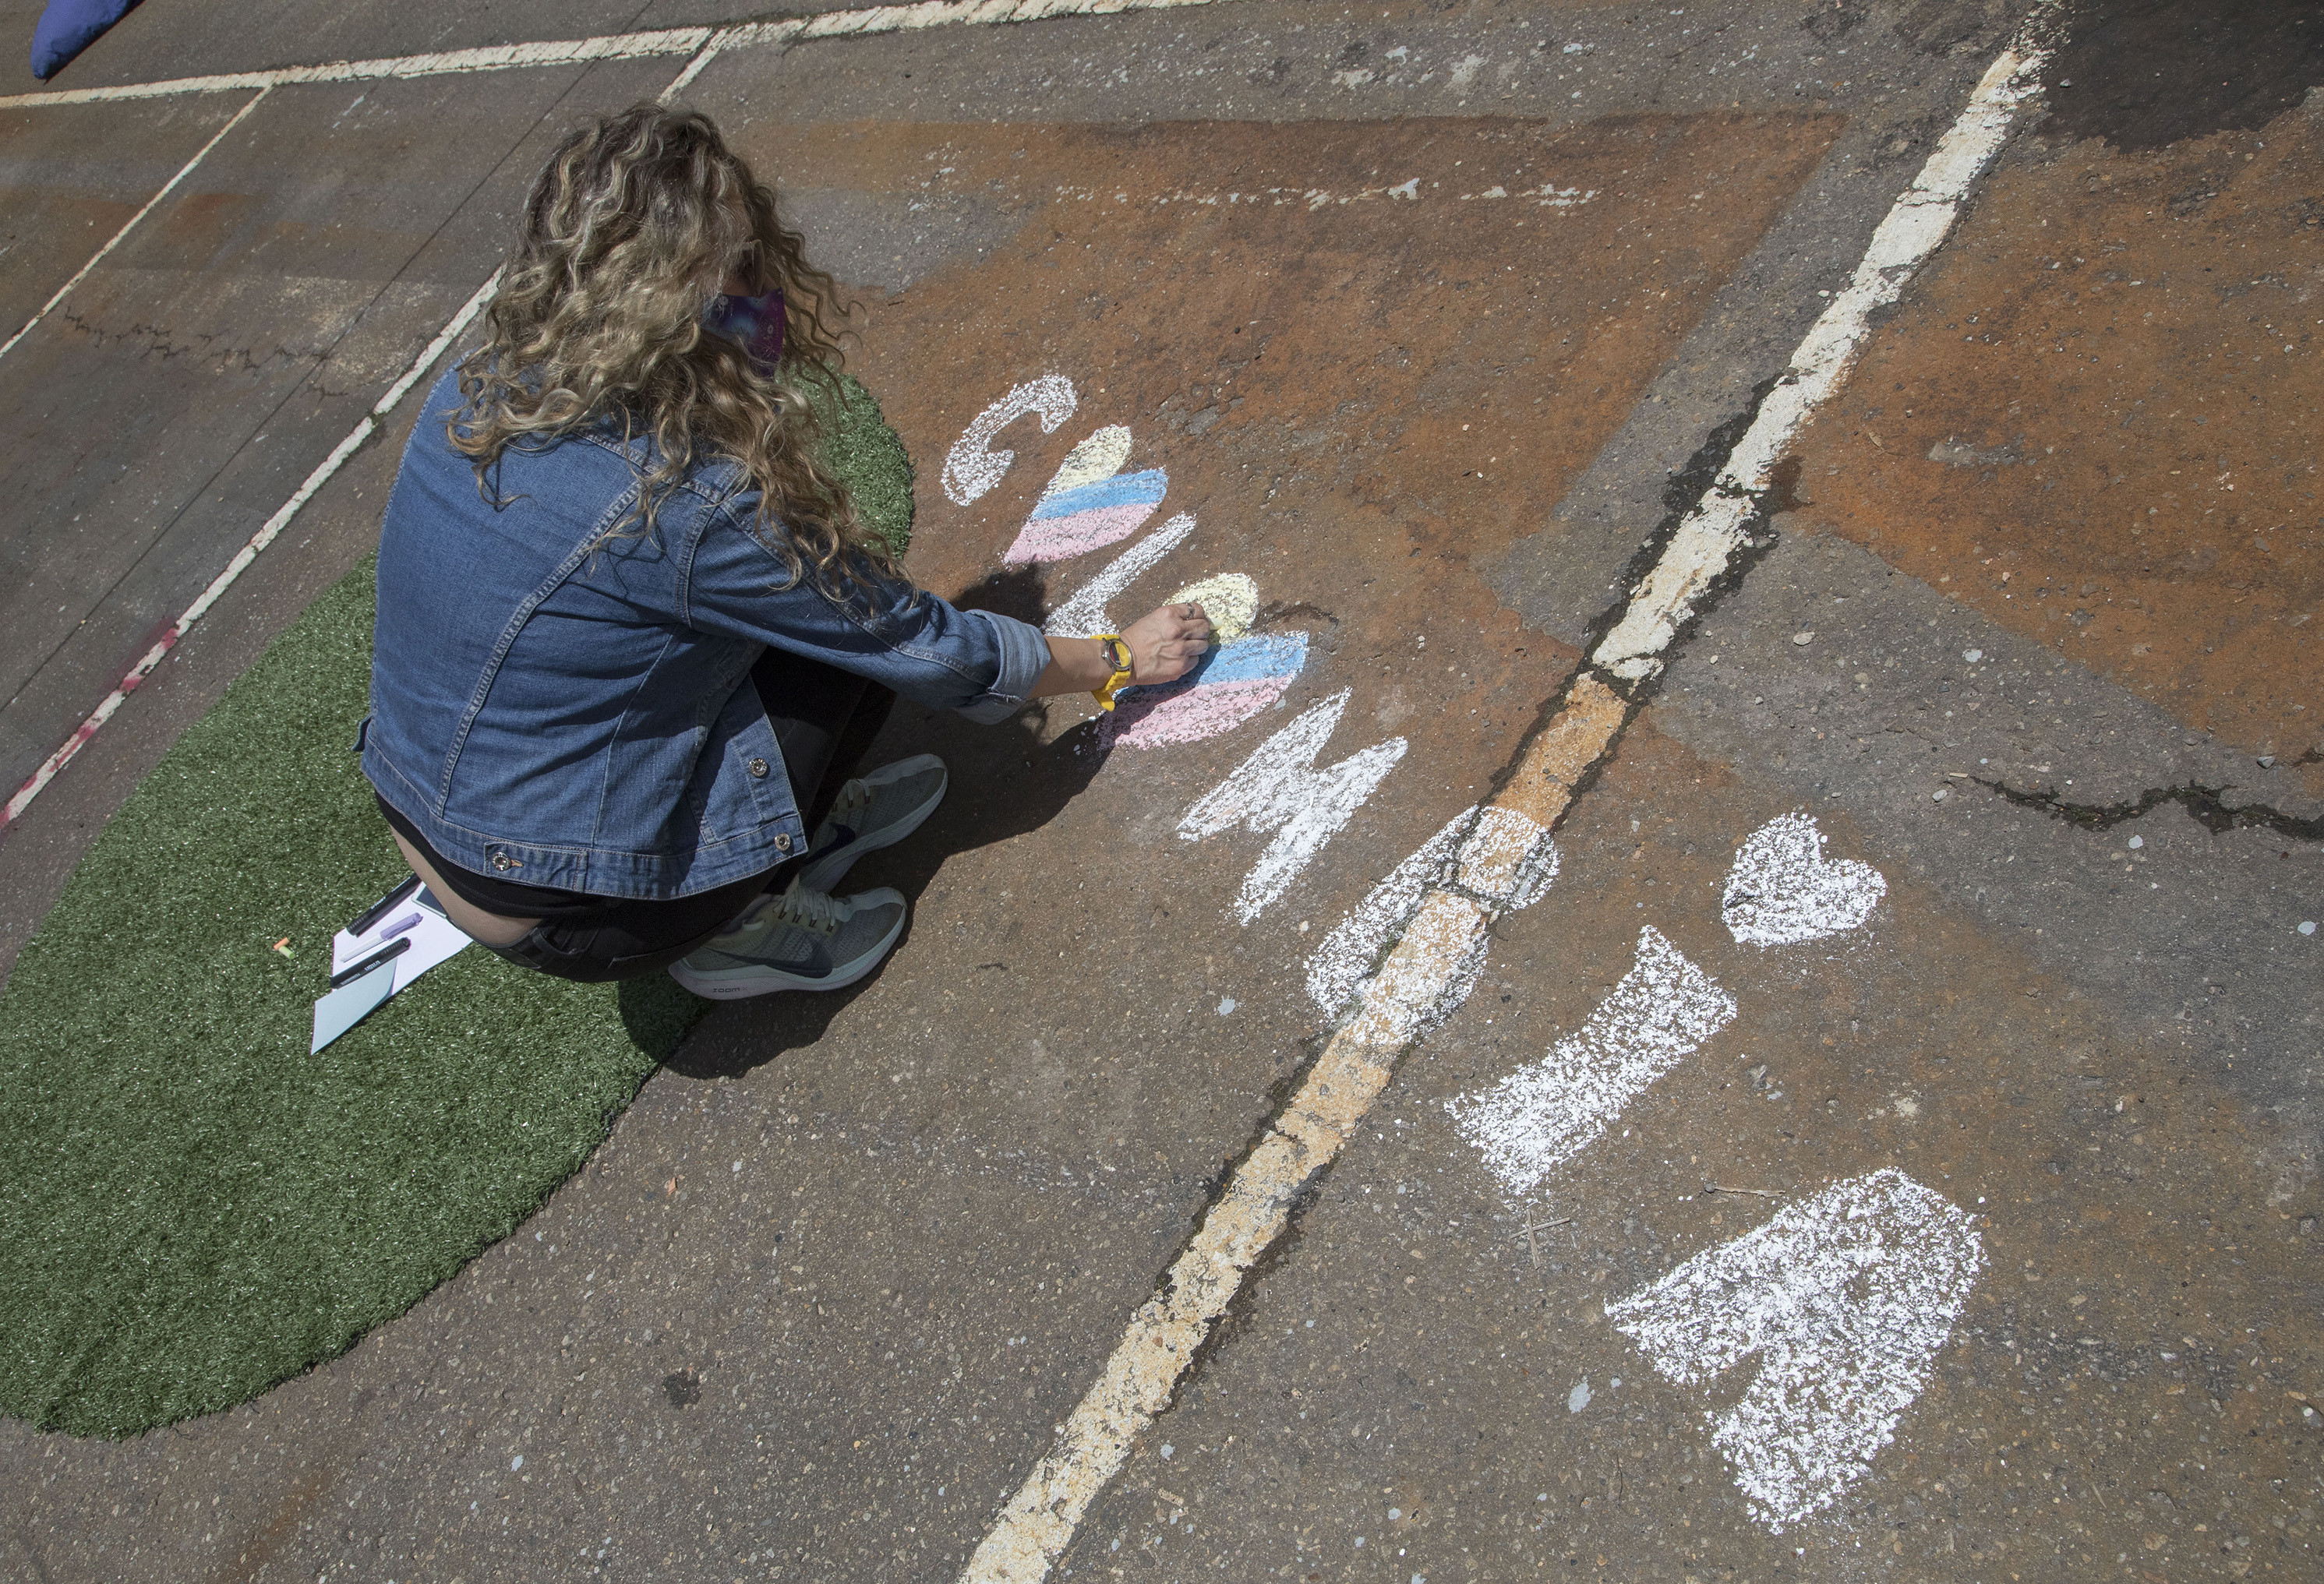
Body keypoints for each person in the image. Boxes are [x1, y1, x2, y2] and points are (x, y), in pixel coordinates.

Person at [359, 103, 1210, 997]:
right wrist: (1117, 659)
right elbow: (920, 645)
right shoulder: (690, 500)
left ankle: (779, 826)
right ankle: (734, 925)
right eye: (737, 268)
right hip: (568, 907)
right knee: (845, 647)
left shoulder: (481, 380)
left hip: (436, 810)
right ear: (660, 310)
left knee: (792, 624)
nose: (761, 287)